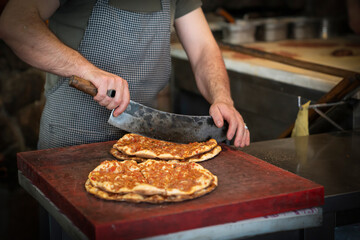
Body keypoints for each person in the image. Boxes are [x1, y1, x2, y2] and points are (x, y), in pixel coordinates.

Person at [0, 0, 250, 150]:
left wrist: (222, 98)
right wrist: (88, 71)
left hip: (143, 140)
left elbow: (204, 49)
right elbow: (14, 23)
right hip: (70, 141)